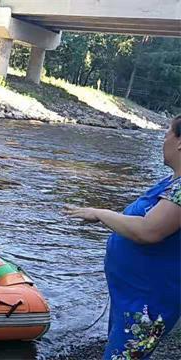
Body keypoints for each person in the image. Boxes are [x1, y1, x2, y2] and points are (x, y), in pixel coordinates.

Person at [65, 115, 181, 359]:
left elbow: (149, 231)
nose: (163, 138)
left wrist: (100, 213)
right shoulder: (172, 182)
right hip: (132, 296)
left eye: (167, 132)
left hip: (149, 302)